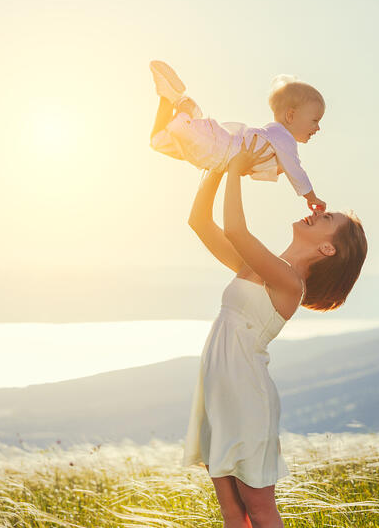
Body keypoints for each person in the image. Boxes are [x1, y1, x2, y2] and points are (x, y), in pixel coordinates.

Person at [181, 136, 367, 527]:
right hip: (220, 389)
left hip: (246, 395)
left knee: (259, 507)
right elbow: (199, 221)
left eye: (327, 219)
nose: (317, 213)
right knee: (232, 511)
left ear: (329, 250)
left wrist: (236, 163)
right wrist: (217, 163)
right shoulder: (260, 268)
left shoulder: (289, 282)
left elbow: (235, 228)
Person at [149, 60, 328, 213]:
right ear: (290, 116)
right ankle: (185, 105)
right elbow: (296, 171)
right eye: (314, 120)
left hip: (218, 156)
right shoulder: (284, 138)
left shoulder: (274, 140)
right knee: (179, 127)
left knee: (158, 141)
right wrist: (311, 198)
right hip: (220, 149)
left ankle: (166, 94)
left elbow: (269, 168)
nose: (318, 127)